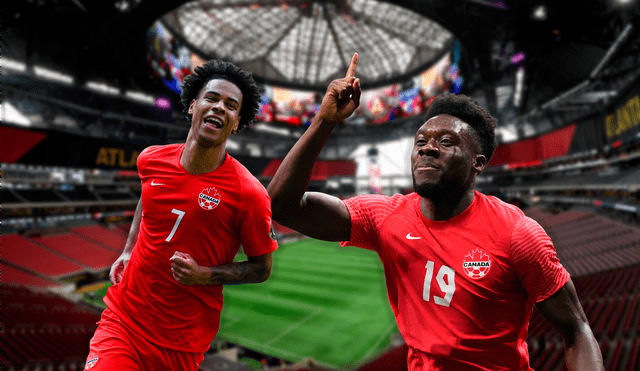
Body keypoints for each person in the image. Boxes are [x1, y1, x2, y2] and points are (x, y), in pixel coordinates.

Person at [267, 53, 603, 370]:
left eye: (446, 142)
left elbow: (577, 330)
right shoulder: (385, 216)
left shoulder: (518, 234)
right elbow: (283, 206)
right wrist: (324, 121)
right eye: (421, 141)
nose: (427, 147)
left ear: (478, 163)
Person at [85, 60, 279, 370]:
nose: (219, 108)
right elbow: (146, 199)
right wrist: (128, 249)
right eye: (211, 98)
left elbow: (262, 268)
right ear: (193, 105)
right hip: (123, 321)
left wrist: (205, 275)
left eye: (230, 106)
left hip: (182, 343)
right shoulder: (151, 159)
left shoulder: (250, 194)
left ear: (236, 122)